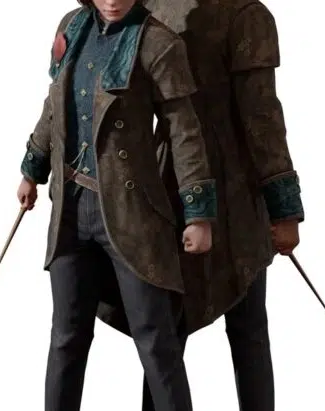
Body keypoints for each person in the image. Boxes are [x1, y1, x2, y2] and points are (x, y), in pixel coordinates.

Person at [96, 1, 305, 410]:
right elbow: (262, 120)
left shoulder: (163, 8)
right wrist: (285, 210)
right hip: (191, 186)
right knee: (185, 328)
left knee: (182, 328)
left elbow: (261, 119)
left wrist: (283, 206)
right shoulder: (239, 13)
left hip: (201, 185)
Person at [16, 1, 217, 410]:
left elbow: (184, 131)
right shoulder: (71, 26)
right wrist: (33, 169)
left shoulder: (159, 42)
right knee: (66, 337)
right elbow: (54, 104)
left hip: (133, 213)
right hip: (70, 211)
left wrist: (198, 214)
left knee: (156, 340)